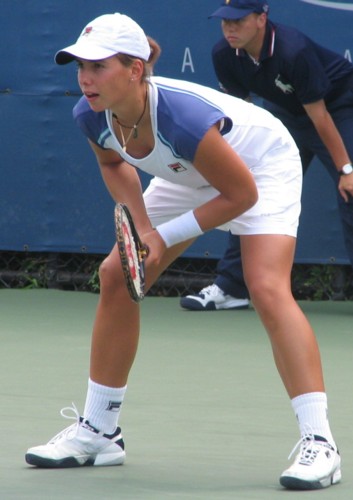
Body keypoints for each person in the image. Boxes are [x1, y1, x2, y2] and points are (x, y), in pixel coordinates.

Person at [25, 12, 341, 491]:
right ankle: (100, 432)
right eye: (79, 67)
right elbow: (114, 164)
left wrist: (162, 238)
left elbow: (241, 196)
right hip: (187, 171)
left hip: (260, 168)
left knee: (266, 288)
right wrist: (143, 229)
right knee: (116, 275)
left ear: (135, 70)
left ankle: (321, 443)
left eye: (98, 66)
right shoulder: (89, 114)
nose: (85, 79)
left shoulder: (180, 115)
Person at [181, 0, 353, 312]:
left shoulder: (293, 51)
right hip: (285, 113)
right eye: (225, 22)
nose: (230, 29)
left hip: (337, 108)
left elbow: (320, 119)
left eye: (239, 21)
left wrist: (346, 169)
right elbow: (239, 114)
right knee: (250, 190)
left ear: (262, 18)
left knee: (351, 191)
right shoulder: (224, 54)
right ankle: (232, 287)